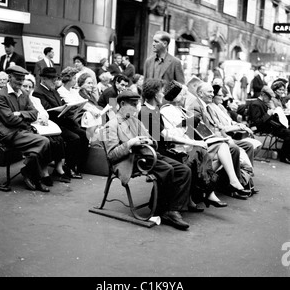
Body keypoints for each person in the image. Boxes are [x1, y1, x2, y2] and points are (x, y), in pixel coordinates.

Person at [101, 89, 192, 230]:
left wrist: (149, 141)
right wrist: (131, 143)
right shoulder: (109, 125)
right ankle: (166, 210)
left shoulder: (136, 121)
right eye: (133, 104)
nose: (137, 107)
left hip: (148, 156)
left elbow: (153, 140)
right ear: (123, 103)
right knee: (168, 170)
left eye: (137, 104)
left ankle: (172, 208)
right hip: (131, 160)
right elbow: (111, 155)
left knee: (184, 170)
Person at [140, 78, 227, 210]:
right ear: (153, 93)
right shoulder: (146, 112)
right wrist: (192, 141)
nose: (163, 95)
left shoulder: (154, 109)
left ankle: (200, 195)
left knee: (199, 152)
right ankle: (202, 195)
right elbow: (166, 136)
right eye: (161, 92)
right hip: (159, 153)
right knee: (197, 153)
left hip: (164, 150)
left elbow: (165, 134)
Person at [0, 65, 51, 192]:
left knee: (35, 150)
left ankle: (31, 174)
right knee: (44, 141)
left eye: (22, 79)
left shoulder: (23, 93)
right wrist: (25, 117)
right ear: (9, 77)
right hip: (9, 134)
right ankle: (33, 176)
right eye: (18, 79)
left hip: (23, 132)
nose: (20, 82)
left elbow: (34, 113)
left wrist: (19, 114)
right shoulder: (0, 95)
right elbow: (9, 119)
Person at [191, 80, 251, 199]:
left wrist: (223, 137)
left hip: (210, 141)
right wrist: (222, 138)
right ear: (200, 93)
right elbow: (197, 132)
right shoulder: (195, 106)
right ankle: (232, 184)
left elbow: (214, 127)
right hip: (201, 143)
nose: (212, 94)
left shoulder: (205, 106)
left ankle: (235, 183)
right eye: (209, 92)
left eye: (213, 92)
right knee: (233, 148)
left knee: (234, 147)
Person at [33, 67, 87, 178]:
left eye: (55, 78)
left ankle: (78, 165)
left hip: (62, 120)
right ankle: (69, 167)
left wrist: (69, 109)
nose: (54, 80)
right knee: (74, 138)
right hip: (52, 124)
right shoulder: (38, 92)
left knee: (83, 134)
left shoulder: (53, 89)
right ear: (43, 79)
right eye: (51, 78)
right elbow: (47, 109)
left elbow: (61, 103)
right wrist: (63, 109)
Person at [21, 74, 70, 185]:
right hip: (32, 127)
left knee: (58, 138)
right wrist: (39, 118)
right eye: (25, 86)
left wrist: (44, 117)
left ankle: (58, 167)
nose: (27, 89)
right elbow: (26, 116)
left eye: (30, 87)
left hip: (42, 126)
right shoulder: (21, 100)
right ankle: (44, 171)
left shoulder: (35, 99)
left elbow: (43, 112)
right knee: (49, 141)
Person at [207, 84, 260, 167]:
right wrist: (240, 127)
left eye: (222, 95)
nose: (222, 97)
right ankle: (245, 171)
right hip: (225, 136)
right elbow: (220, 127)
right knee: (249, 146)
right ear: (214, 96)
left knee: (255, 145)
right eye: (220, 95)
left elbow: (231, 121)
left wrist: (241, 125)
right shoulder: (210, 107)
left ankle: (244, 170)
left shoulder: (221, 107)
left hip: (231, 134)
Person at [248, 86, 290, 164]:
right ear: (263, 94)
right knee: (288, 133)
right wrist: (268, 114)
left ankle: (285, 154)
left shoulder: (262, 103)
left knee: (287, 131)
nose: (270, 99)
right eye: (269, 97)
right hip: (263, 128)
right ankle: (284, 156)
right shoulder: (256, 104)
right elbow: (257, 121)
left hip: (269, 126)